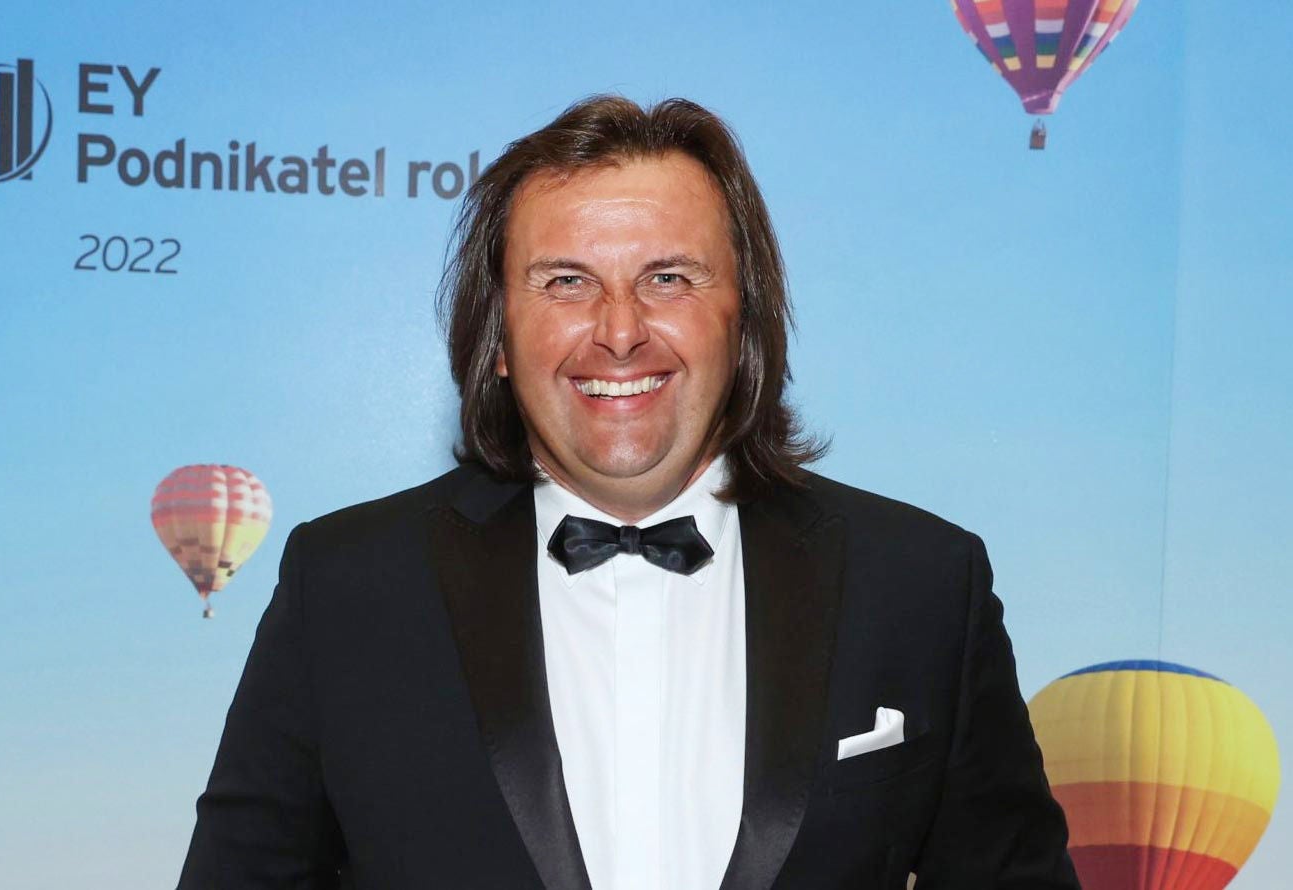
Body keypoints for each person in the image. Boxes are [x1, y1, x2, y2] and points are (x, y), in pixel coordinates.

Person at [177, 95, 1079, 890]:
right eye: (566, 282)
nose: (618, 331)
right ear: (497, 334)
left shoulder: (921, 583)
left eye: (668, 279)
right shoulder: (346, 586)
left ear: (743, 318)